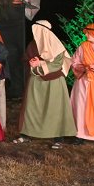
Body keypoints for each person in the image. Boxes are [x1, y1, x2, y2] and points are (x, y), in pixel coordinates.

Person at [14, 20, 75, 148]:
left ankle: (58, 138)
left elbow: (57, 64)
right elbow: (26, 58)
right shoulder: (33, 44)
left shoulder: (56, 45)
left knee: (56, 109)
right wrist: (32, 62)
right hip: (36, 81)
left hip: (54, 82)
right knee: (31, 107)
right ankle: (26, 135)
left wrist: (40, 63)